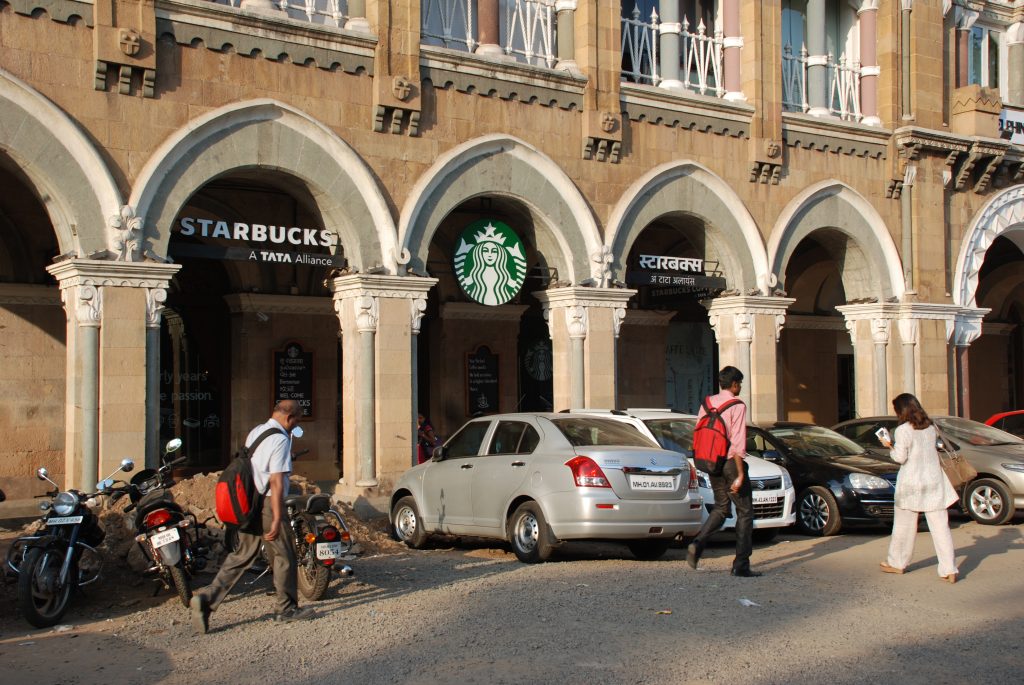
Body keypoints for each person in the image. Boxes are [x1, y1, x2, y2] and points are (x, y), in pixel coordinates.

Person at [190, 400, 315, 633]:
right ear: (290, 418)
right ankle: (286, 608)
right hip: (268, 504)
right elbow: (277, 482)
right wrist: (277, 518)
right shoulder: (280, 439)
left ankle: (207, 599)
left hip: (250, 501)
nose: (297, 424)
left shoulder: (257, 432)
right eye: (297, 419)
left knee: (242, 555)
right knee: (284, 555)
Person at [877, 393, 959, 583]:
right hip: (934, 481)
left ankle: (897, 563)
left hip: (911, 483)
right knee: (941, 528)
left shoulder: (903, 430)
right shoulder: (930, 427)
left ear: (902, 410)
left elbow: (900, 458)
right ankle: (949, 568)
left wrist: (887, 444)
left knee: (904, 526)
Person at [686, 366, 759, 577]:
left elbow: (699, 431)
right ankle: (741, 565)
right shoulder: (737, 405)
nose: (740, 387)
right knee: (745, 512)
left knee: (721, 507)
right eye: (740, 384)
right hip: (729, 461)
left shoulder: (706, 403)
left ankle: (698, 544)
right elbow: (737, 442)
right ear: (734, 384)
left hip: (711, 461)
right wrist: (740, 474)